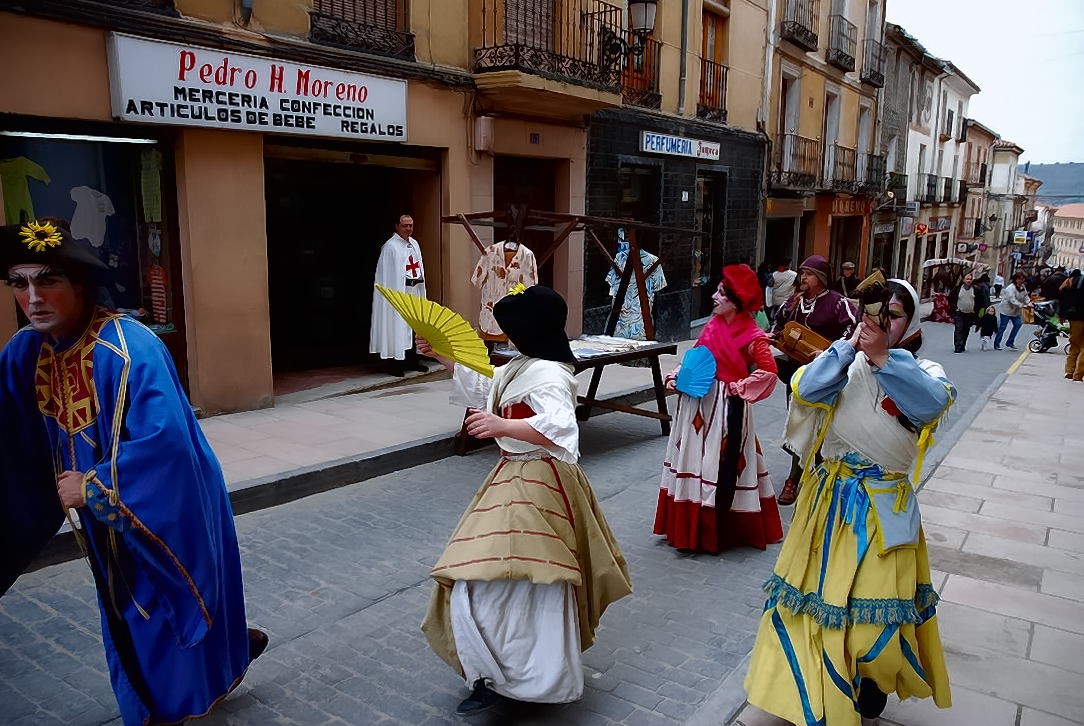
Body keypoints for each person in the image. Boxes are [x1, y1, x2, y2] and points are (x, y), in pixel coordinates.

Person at [0, 220, 266, 726]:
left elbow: (166, 446)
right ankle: (224, 656)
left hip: (164, 497)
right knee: (131, 605)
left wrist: (95, 485)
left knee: (159, 601)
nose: (33, 298)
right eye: (19, 282)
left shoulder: (130, 347)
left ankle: (162, 709)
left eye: (48, 280)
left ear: (80, 284)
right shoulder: (25, 351)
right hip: (100, 514)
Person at [744, 278, 955, 726]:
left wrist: (883, 359)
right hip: (828, 505)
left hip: (884, 511)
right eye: (874, 313)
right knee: (814, 605)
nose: (881, 322)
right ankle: (814, 693)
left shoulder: (927, 371)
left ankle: (871, 687)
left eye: (893, 316)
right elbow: (805, 390)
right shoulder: (841, 362)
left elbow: (931, 405)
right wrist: (848, 349)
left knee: (874, 619)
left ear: (911, 323)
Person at [419, 285, 632, 717]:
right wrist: (441, 355)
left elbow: (560, 428)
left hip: (541, 478)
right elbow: (486, 385)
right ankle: (496, 673)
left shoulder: (549, 374)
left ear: (529, 331)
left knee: (522, 578)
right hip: (514, 475)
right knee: (490, 575)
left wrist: (502, 426)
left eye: (512, 329)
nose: (506, 336)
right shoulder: (524, 365)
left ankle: (528, 678)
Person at [655, 265, 782, 552]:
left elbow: (769, 372)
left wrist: (739, 388)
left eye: (721, 293)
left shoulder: (754, 337)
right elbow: (694, 359)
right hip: (695, 405)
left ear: (736, 301)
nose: (713, 296)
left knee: (719, 462)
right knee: (693, 459)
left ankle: (716, 530)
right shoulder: (712, 326)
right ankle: (689, 528)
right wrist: (676, 376)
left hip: (725, 411)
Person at [769, 255, 858, 505]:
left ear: (820, 277)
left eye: (808, 274)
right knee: (797, 423)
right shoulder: (794, 301)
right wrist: (774, 336)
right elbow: (779, 323)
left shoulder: (838, 303)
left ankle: (810, 476)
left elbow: (853, 329)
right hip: (798, 373)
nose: (803, 278)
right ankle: (798, 475)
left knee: (822, 426)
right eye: (802, 273)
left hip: (827, 376)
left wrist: (831, 352)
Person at [371, 213, 428, 376]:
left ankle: (412, 360)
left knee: (414, 325)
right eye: (405, 225)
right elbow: (387, 276)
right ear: (397, 226)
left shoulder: (414, 244)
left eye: (411, 225)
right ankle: (395, 364)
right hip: (398, 293)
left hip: (414, 290)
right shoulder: (390, 247)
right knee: (397, 325)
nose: (408, 229)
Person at [948, 271, 988, 353]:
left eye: (970, 279)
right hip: (959, 312)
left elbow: (981, 302)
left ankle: (963, 345)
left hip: (970, 314)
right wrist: (954, 309)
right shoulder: (957, 289)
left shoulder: (976, 290)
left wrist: (978, 312)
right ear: (963, 280)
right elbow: (951, 299)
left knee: (966, 330)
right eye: (967, 279)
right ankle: (957, 346)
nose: (969, 281)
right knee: (958, 330)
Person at [994, 271, 1032, 351]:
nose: (1021, 281)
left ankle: (1010, 342)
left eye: (1023, 279)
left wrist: (1029, 303)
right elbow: (1012, 300)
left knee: (1018, 324)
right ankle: (997, 344)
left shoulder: (1022, 287)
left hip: (1016, 311)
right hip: (1007, 310)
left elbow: (1025, 296)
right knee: (1003, 327)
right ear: (1015, 279)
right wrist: (1022, 305)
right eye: (1019, 279)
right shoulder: (1010, 288)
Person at [1060, 269, 1084, 381]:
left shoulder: (1075, 282)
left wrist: (1062, 315)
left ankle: (1069, 371)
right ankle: (1078, 374)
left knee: (1074, 344)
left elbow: (1065, 297)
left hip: (1075, 318)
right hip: (1078, 316)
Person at [769, 258, 798, 323]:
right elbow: (798, 284)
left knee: (775, 319)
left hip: (776, 301)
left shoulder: (774, 274)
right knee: (786, 319)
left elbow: (770, 285)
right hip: (787, 301)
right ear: (788, 264)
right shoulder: (794, 275)